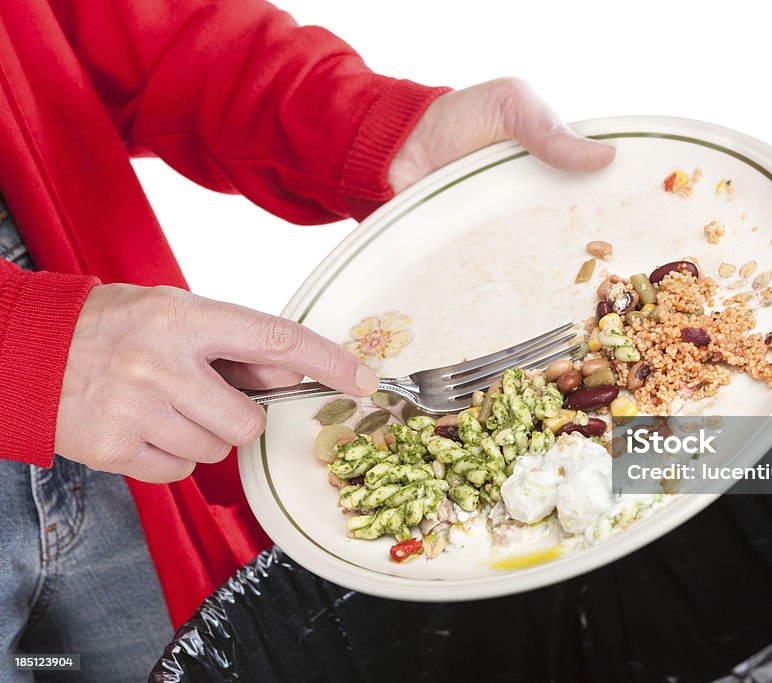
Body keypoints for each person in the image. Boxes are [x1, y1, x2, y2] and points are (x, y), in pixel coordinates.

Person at [0, 0, 614, 679]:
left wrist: (373, 127)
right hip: (72, 358)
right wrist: (27, 345)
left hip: (122, 422)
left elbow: (123, 27)